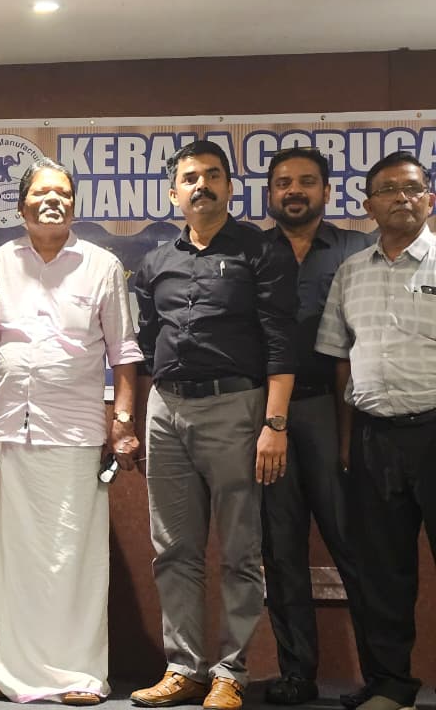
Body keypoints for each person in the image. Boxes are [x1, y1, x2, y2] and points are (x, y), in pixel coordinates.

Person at [130, 140, 297, 710]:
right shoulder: (155, 262)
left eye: (212, 175)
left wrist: (275, 424)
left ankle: (230, 672)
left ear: (229, 186)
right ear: (173, 193)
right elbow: (146, 342)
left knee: (240, 550)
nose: (201, 185)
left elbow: (281, 341)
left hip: (237, 409)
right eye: (190, 177)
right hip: (166, 410)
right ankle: (184, 667)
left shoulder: (261, 251)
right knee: (173, 548)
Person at [0, 158, 142, 705]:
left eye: (63, 193)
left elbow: (124, 352)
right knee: (1, 556)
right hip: (6, 428)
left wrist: (122, 422)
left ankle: (77, 673)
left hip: (75, 432)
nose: (53, 201)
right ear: (20, 204)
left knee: (72, 558)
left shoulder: (102, 265)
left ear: (74, 203)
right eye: (42, 193)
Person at [315, 151, 436, 710]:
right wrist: (347, 441)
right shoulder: (351, 272)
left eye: (412, 188)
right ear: (368, 205)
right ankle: (390, 687)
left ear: (429, 198)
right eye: (387, 190)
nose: (401, 198)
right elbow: (341, 360)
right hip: (373, 438)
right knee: (382, 572)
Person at [258, 147, 374, 706]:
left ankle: (383, 677)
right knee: (281, 550)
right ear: (270, 193)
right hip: (269, 417)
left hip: (338, 412)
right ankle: (297, 673)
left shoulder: (357, 249)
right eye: (283, 182)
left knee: (355, 545)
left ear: (327, 191)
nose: (294, 191)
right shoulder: (254, 252)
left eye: (306, 181)